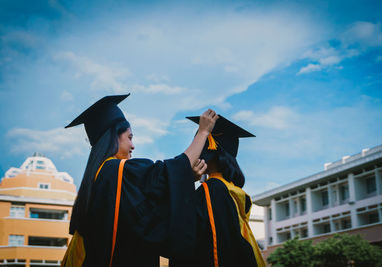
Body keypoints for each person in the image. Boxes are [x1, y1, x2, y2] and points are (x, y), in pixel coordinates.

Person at [62, 93, 218, 266]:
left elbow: (143, 214)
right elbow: (169, 173)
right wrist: (203, 132)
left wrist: (186, 178)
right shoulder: (118, 170)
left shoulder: (98, 178)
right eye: (130, 137)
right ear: (114, 136)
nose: (133, 146)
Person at [170, 115, 266, 267]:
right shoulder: (232, 190)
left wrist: (187, 183)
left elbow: (207, 245)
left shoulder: (211, 189)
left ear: (209, 150)